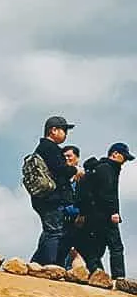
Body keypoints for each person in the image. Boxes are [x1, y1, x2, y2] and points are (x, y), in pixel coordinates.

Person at [76, 143, 132, 277]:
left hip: (93, 214)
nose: (124, 161)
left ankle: (97, 273)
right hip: (105, 214)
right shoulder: (108, 169)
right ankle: (119, 278)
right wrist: (114, 212)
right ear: (115, 154)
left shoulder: (99, 168)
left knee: (97, 248)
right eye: (124, 157)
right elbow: (107, 193)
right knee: (116, 247)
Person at [26, 116, 76, 265]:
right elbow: (60, 170)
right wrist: (75, 170)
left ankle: (35, 264)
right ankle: (50, 266)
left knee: (52, 231)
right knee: (54, 232)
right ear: (53, 130)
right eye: (64, 130)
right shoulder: (49, 147)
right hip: (50, 198)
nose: (66, 133)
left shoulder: (44, 147)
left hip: (43, 197)